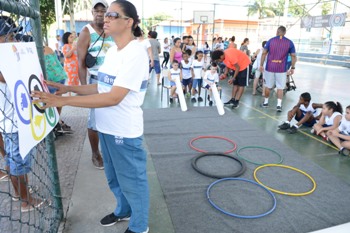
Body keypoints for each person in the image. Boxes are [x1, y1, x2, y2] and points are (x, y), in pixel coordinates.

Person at [32, 1, 149, 232]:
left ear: (129, 22)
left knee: (133, 181)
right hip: (106, 127)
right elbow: (100, 88)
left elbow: (113, 97)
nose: (106, 18)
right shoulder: (114, 50)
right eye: (105, 14)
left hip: (123, 131)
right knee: (114, 178)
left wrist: (62, 101)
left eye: (112, 15)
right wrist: (67, 89)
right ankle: (123, 210)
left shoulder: (135, 53)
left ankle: (140, 226)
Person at [0, 18, 44, 213]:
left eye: (12, 36)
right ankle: (26, 200)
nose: (13, 41)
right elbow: (13, 78)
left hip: (14, 120)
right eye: (8, 37)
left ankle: (19, 192)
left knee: (14, 161)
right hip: (13, 123)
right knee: (18, 164)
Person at [77, 0, 115, 169]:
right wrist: (84, 88)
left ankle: (110, 151)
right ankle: (95, 153)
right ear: (92, 12)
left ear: (107, 12)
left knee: (113, 117)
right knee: (94, 121)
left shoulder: (112, 30)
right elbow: (81, 62)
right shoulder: (86, 31)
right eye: (96, 10)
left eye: (103, 10)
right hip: (96, 82)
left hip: (114, 82)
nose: (100, 13)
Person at [260, 26, 297, 112]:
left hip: (270, 67)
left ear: (277, 31)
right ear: (285, 33)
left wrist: (261, 65)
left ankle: (265, 103)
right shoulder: (289, 42)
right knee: (280, 87)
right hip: (281, 69)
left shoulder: (271, 40)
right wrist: (293, 67)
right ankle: (279, 105)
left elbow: (264, 53)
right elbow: (293, 56)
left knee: (268, 86)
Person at [44, 46, 72, 134]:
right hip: (60, 76)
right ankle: (56, 123)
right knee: (58, 103)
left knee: (49, 104)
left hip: (50, 80)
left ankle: (53, 126)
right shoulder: (48, 48)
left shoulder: (32, 51)